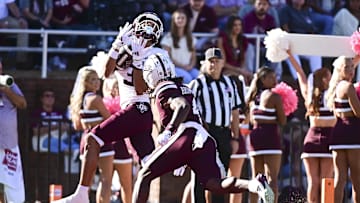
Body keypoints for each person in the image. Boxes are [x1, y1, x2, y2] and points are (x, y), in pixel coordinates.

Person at [54, 12, 166, 203]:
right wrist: (116, 45)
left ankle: (81, 194)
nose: (145, 36)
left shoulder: (156, 56)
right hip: (138, 114)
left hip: (138, 109)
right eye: (143, 29)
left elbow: (140, 88)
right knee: (148, 165)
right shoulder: (128, 51)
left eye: (150, 32)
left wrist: (138, 59)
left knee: (93, 138)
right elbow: (106, 73)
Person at [134, 51, 274, 203]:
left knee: (144, 174)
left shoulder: (164, 89)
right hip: (202, 136)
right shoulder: (185, 86)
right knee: (214, 183)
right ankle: (254, 184)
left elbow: (183, 106)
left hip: (185, 134)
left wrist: (169, 131)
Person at [185, 47, 242, 203]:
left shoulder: (229, 83)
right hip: (204, 134)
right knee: (199, 175)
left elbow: (235, 111)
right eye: (211, 61)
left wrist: (235, 138)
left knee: (220, 176)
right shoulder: (197, 84)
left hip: (223, 134)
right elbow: (188, 109)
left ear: (223, 63)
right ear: (205, 63)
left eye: (217, 61)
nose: (214, 65)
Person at [287, 49, 335, 203]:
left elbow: (300, 72)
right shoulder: (332, 94)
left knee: (313, 182)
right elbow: (345, 71)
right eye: (330, 76)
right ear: (325, 80)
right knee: (326, 180)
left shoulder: (309, 95)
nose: (333, 78)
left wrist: (289, 54)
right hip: (329, 138)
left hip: (311, 139)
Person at [246, 66, 286, 203]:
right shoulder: (274, 97)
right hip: (270, 137)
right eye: (271, 77)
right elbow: (283, 120)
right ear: (263, 79)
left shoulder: (252, 99)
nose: (275, 80)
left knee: (256, 178)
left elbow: (252, 120)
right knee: (271, 178)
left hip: (255, 138)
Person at [325, 55, 360, 203]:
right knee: (357, 179)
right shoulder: (348, 86)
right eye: (347, 67)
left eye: (352, 66)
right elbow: (358, 112)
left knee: (340, 178)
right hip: (352, 133)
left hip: (338, 133)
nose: (351, 70)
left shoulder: (335, 88)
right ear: (340, 70)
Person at [278, 0, 333, 80]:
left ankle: (317, 78)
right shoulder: (286, 10)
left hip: (305, 43)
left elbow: (311, 30)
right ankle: (298, 79)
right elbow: (285, 29)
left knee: (315, 53)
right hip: (291, 44)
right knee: (290, 54)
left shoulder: (306, 11)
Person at [0, 60, 27, 202]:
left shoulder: (9, 84)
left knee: (12, 185)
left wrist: (7, 91)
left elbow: (22, 104)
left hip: (8, 146)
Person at [242, 0, 282, 80]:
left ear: (268, 6)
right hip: (253, 46)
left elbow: (273, 34)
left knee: (277, 49)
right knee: (249, 48)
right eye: (259, 4)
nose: (262, 7)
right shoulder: (248, 18)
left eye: (264, 4)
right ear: (254, 5)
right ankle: (249, 76)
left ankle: (276, 77)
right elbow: (247, 36)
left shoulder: (270, 19)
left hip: (265, 47)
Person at [160, 9, 199, 84]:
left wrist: (190, 66)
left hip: (189, 67)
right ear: (174, 20)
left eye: (183, 18)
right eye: (178, 18)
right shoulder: (168, 38)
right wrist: (182, 66)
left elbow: (193, 57)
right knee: (188, 79)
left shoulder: (191, 38)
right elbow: (168, 58)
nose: (180, 20)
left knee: (200, 77)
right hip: (175, 68)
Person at [31, 88, 70, 152]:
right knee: (65, 147)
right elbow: (36, 131)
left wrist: (66, 127)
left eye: (52, 96)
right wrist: (56, 126)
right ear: (41, 99)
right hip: (44, 139)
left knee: (75, 146)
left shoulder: (59, 112)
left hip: (62, 138)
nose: (50, 98)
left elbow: (68, 126)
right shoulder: (37, 113)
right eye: (47, 96)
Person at [217, 15, 253, 84]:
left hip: (238, 69)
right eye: (235, 25)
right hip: (226, 69)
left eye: (239, 25)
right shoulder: (222, 39)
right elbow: (223, 63)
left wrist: (242, 70)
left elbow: (243, 59)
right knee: (241, 79)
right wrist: (239, 70)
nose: (238, 27)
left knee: (251, 77)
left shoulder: (243, 40)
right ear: (230, 26)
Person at [0, 0, 29, 64]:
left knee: (22, 26)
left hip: (5, 19)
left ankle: (21, 61)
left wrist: (20, 18)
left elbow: (12, 5)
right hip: (2, 22)